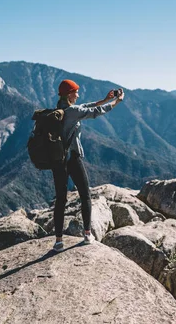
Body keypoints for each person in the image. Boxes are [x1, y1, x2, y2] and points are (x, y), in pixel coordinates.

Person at [51, 79, 124, 251]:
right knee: (85, 195)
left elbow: (86, 106)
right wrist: (116, 102)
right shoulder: (74, 111)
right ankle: (87, 234)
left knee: (60, 199)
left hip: (58, 161)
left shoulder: (59, 109)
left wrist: (105, 98)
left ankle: (58, 241)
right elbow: (94, 112)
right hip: (72, 159)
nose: (78, 94)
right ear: (69, 94)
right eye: (75, 92)